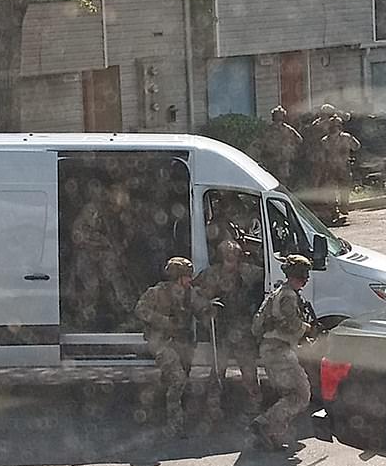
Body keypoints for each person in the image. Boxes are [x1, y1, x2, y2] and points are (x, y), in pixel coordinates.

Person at [135, 257, 216, 436]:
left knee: (175, 380)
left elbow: (201, 309)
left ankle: (154, 411)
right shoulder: (156, 292)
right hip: (161, 342)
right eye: (186, 277)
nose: (189, 280)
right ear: (177, 277)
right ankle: (175, 425)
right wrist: (165, 322)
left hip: (183, 343)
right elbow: (140, 310)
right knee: (178, 379)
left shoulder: (189, 293)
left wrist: (209, 309)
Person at [249, 255, 317, 450]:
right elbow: (290, 324)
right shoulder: (288, 296)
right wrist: (308, 328)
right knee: (301, 394)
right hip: (278, 351)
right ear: (297, 275)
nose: (306, 279)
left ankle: (274, 435)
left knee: (288, 394)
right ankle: (264, 424)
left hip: (274, 350)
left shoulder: (279, 292)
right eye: (304, 275)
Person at [197, 239, 265, 415]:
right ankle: (213, 406)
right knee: (218, 370)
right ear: (221, 257)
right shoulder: (211, 274)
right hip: (222, 328)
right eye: (227, 256)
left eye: (234, 256)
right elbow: (194, 290)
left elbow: (267, 273)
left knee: (249, 369)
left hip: (242, 328)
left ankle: (254, 403)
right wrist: (206, 304)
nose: (231, 260)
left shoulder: (248, 271)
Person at [70, 185, 136, 326]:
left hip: (107, 257)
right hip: (88, 255)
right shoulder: (94, 210)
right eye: (120, 195)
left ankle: (127, 316)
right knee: (92, 287)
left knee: (119, 284)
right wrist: (103, 242)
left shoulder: (118, 215)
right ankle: (85, 320)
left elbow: (124, 237)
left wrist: (120, 247)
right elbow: (78, 234)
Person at [321, 115, 361, 222]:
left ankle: (334, 211)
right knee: (344, 189)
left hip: (331, 168)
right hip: (343, 167)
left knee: (332, 190)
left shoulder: (325, 140)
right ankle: (343, 207)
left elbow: (322, 156)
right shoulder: (346, 138)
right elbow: (357, 146)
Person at [251, 106, 303, 184]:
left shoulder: (269, 129)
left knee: (273, 180)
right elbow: (299, 140)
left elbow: (259, 143)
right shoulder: (287, 129)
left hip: (276, 159)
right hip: (277, 159)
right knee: (280, 181)